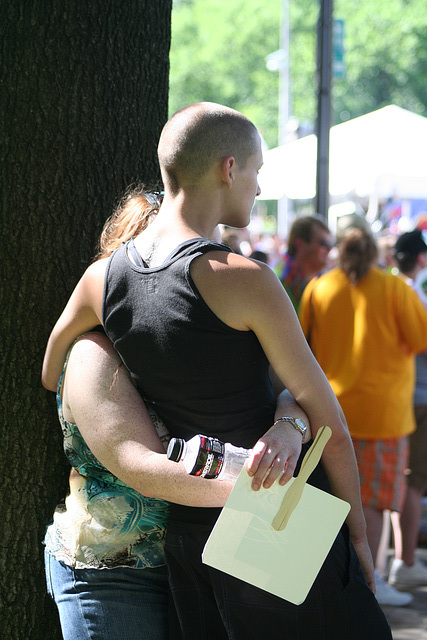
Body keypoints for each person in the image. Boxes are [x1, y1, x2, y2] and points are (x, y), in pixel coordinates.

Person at [43, 102, 391, 639]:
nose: (256, 187)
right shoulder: (244, 278)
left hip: (190, 534)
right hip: (276, 517)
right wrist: (360, 535)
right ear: (229, 169)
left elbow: (51, 368)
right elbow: (331, 425)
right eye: (256, 171)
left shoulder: (103, 278)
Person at [44, 188, 313, 640]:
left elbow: (285, 388)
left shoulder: (187, 333)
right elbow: (140, 467)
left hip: (195, 556)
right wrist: (260, 494)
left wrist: (288, 426)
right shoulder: (94, 354)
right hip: (116, 570)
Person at [299, 227, 427, 607]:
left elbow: (302, 341)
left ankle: (342, 581)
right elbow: (422, 338)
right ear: (375, 253)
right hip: (383, 414)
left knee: (332, 497)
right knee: (371, 503)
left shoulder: (318, 288)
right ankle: (371, 584)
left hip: (329, 409)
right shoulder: (395, 290)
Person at [387, 229, 427, 589]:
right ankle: (405, 560)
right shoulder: (408, 293)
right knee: (412, 481)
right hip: (417, 398)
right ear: (420, 258)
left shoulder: (386, 288)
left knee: (402, 480)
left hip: (398, 398)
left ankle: (400, 559)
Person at [272, 214, 333, 310]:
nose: (329, 249)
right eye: (323, 243)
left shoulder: (326, 279)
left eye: (330, 244)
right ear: (299, 244)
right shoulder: (278, 279)